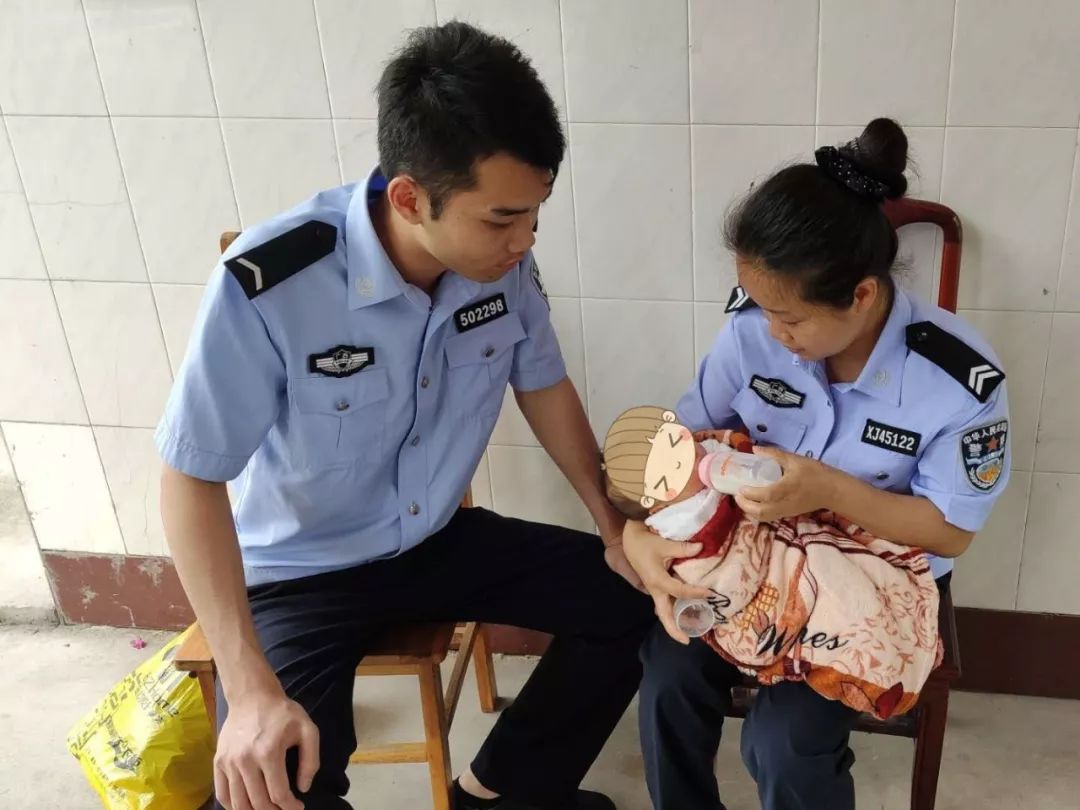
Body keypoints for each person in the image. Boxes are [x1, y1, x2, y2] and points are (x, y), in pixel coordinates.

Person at [156, 21, 653, 810]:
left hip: (433, 542)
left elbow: (545, 384)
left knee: (636, 601)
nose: (525, 240)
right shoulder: (273, 283)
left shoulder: (504, 268)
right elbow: (188, 478)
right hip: (301, 570)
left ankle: (499, 794)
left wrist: (613, 525)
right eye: (500, 218)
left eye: (535, 213)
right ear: (410, 197)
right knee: (273, 787)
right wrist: (248, 686)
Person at [621, 118, 1010, 810]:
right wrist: (636, 533)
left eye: (791, 321)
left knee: (783, 739)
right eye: (764, 311)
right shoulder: (754, 328)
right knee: (668, 677)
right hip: (749, 558)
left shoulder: (956, 379)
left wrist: (827, 490)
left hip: (873, 578)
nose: (773, 335)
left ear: (861, 295)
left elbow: (949, 533)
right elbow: (683, 437)